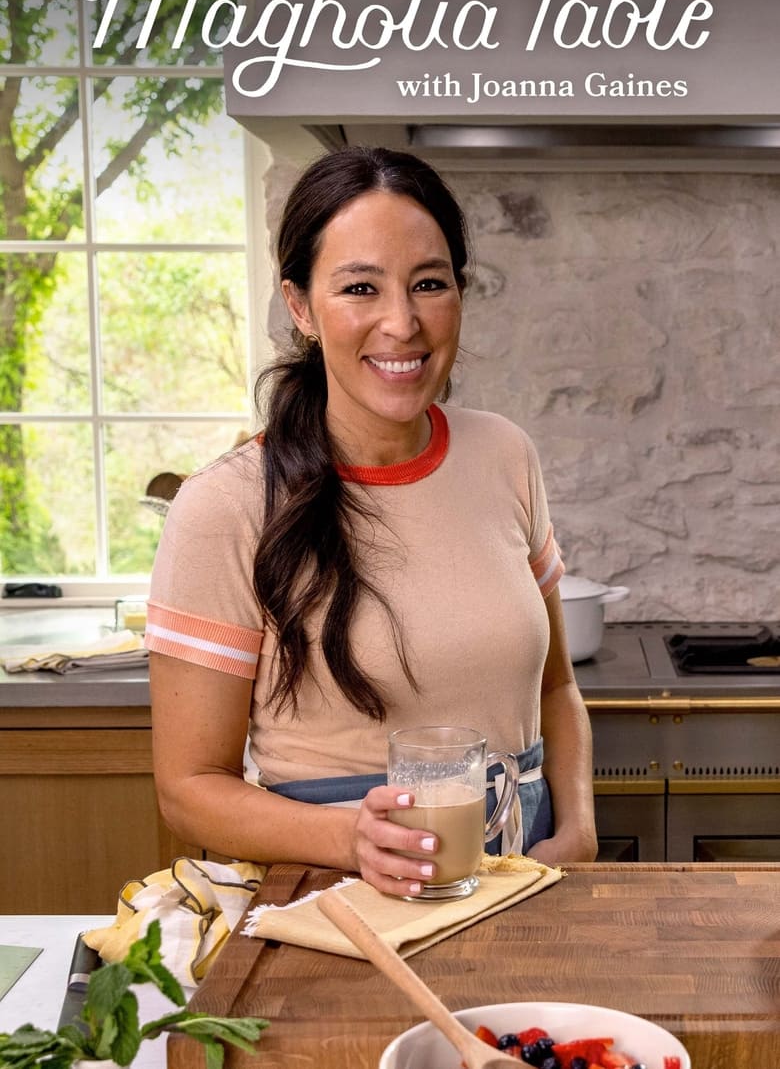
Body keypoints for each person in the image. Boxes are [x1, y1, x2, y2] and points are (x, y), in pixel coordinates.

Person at [147, 146, 598, 899]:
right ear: (299, 307)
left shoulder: (505, 455)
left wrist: (578, 827)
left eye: (430, 283)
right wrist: (348, 838)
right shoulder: (224, 506)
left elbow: (556, 690)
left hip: (524, 886)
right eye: (361, 287)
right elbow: (188, 786)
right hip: (342, 899)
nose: (403, 322)